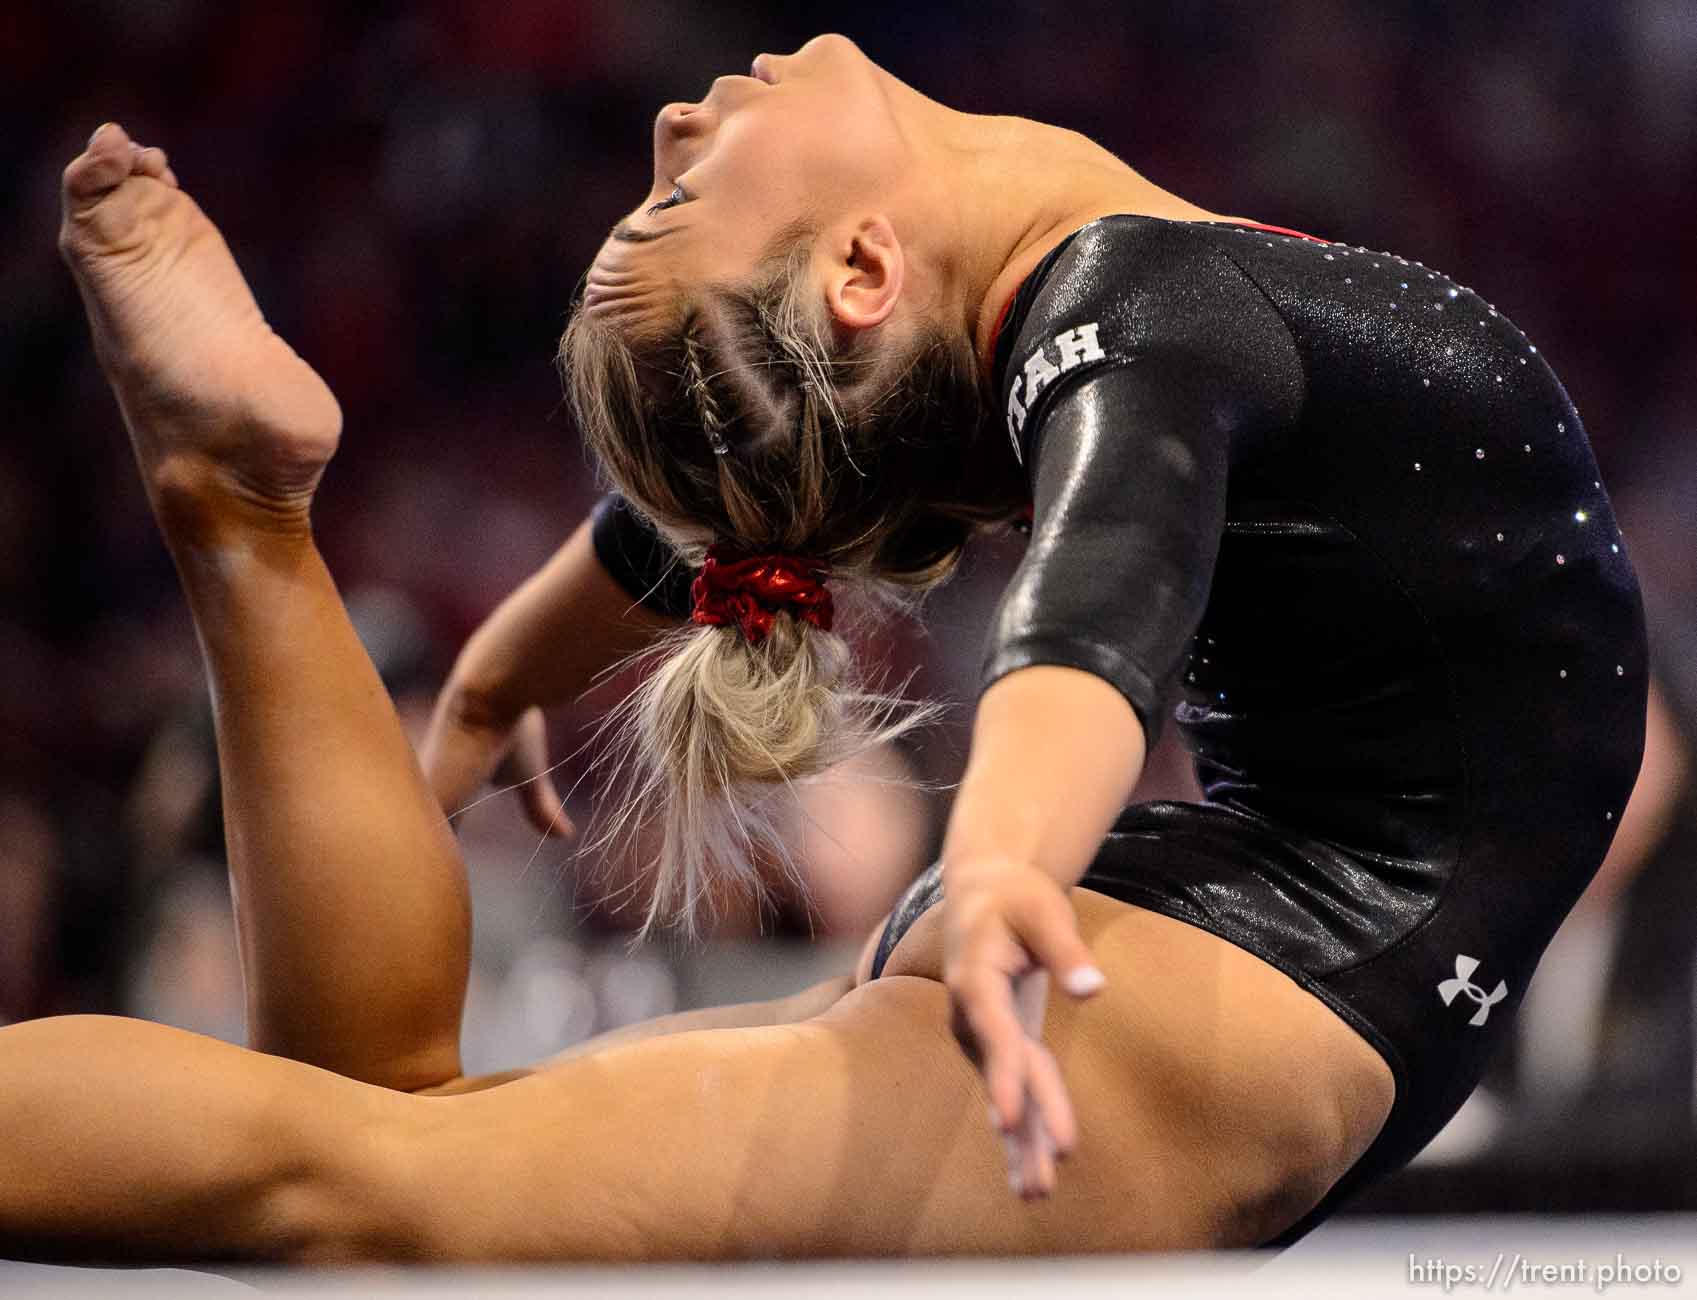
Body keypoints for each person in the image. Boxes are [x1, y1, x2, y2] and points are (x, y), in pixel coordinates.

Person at [8, 32, 1641, 1262]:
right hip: (1170, 1011)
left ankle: (238, 519)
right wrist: (1005, 860)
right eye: (683, 189)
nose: (669, 120)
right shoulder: (1140, 309)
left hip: (1165, 970)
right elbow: (1098, 605)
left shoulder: (1065, 347)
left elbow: (768, 504)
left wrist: (512, 666)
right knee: (357, 1189)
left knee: (376, 1143)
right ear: (861, 269)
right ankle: (233, 512)